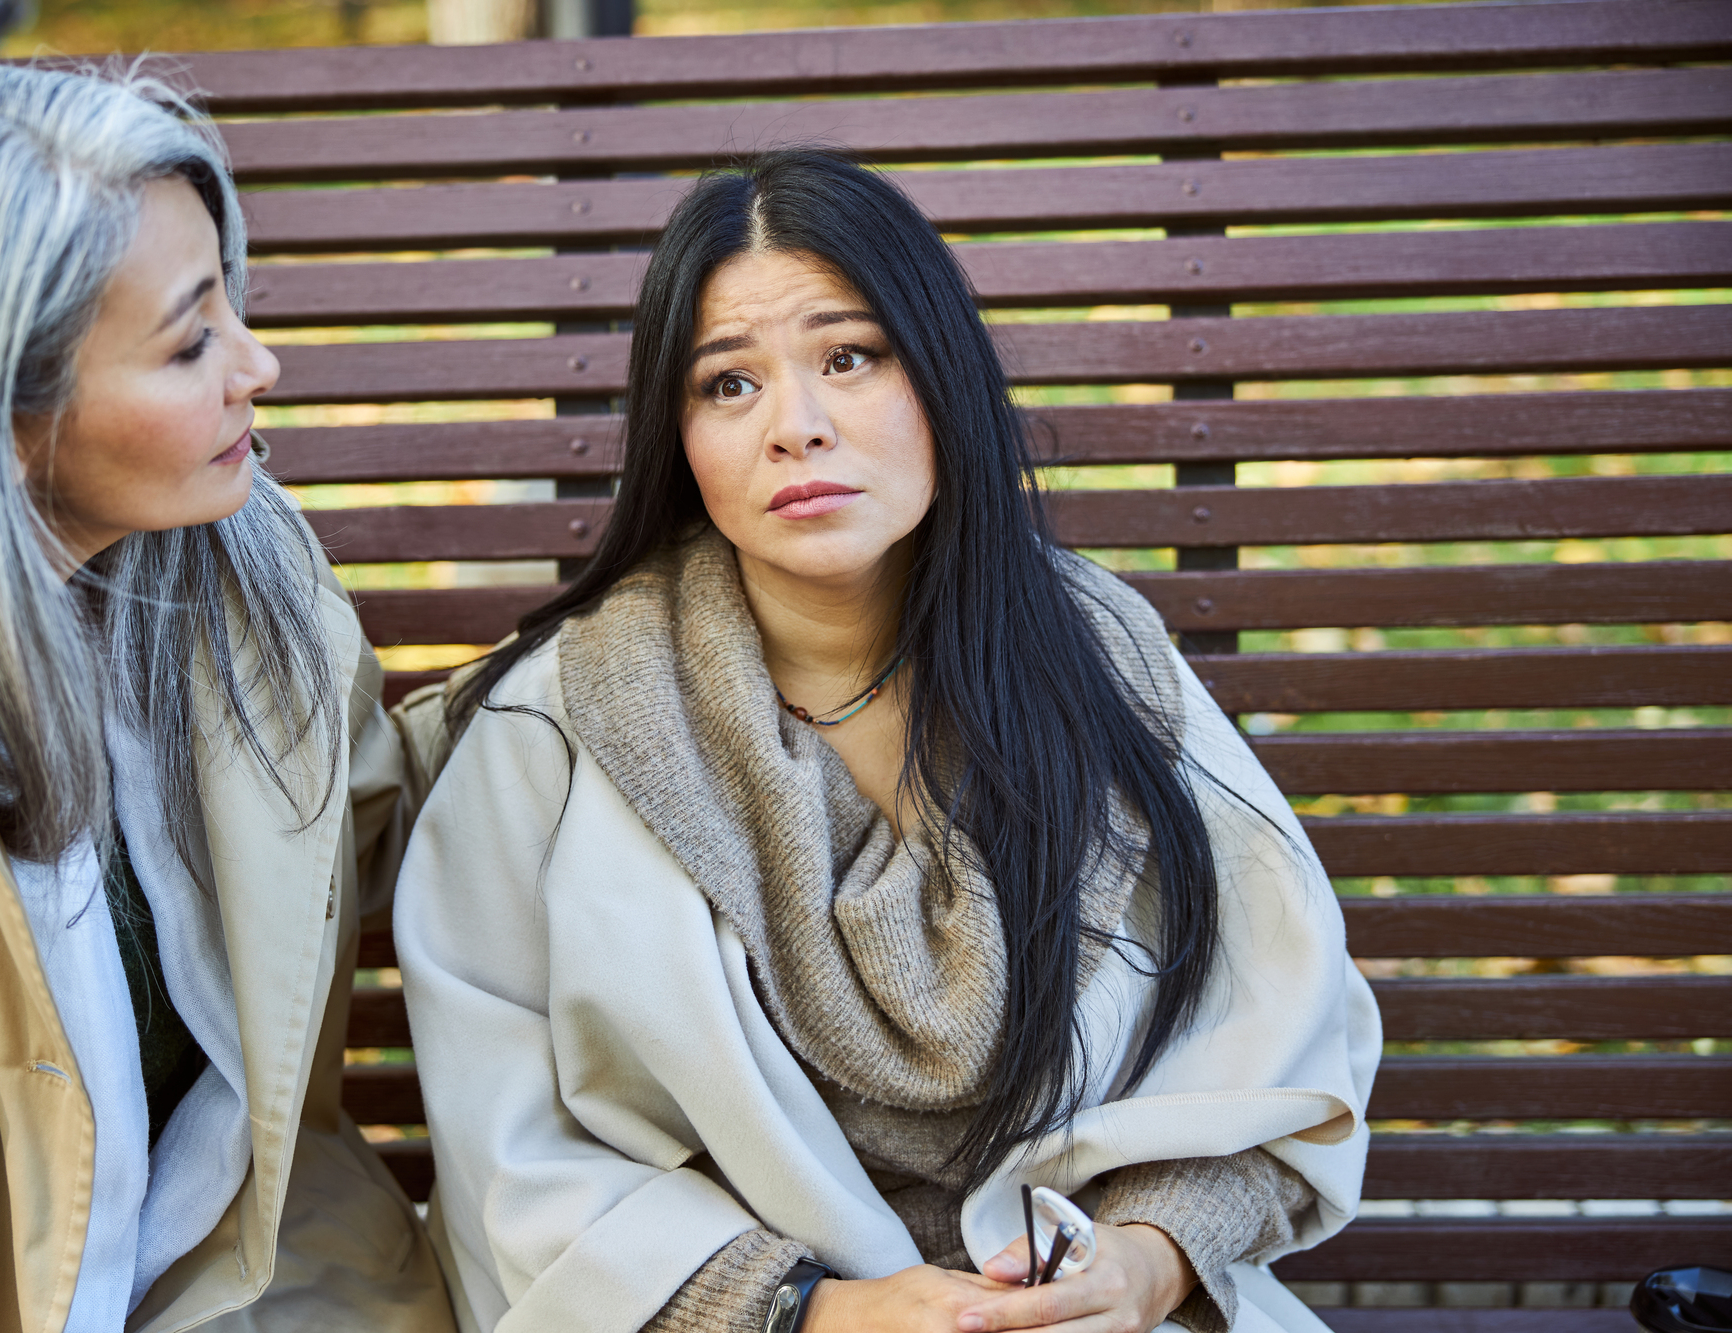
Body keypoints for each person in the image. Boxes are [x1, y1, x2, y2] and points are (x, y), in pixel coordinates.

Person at [392, 149, 1380, 1333]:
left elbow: (1280, 1031)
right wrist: (812, 1314)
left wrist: (1143, 1263)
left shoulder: (1101, 662)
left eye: (847, 357)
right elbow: (510, 1152)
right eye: (726, 384)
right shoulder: (558, 721)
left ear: (940, 375)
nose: (793, 428)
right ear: (679, 433)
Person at [0, 64, 454, 1331]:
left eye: (230, 299)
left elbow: (376, 821)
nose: (260, 364)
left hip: (253, 1275)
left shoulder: (245, 566)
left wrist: (616, 676)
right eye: (190, 343)